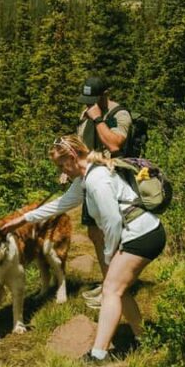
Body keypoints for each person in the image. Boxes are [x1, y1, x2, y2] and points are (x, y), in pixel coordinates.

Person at [1, 134, 166, 362]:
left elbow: (112, 222)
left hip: (143, 235)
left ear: (72, 157)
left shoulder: (97, 179)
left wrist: (109, 254)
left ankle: (99, 354)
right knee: (119, 289)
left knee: (111, 290)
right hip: (140, 233)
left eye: (61, 165)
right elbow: (61, 204)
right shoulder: (86, 177)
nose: (62, 172)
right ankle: (144, 339)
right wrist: (23, 220)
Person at [75, 76, 133, 309]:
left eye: (93, 99)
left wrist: (98, 118)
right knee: (94, 234)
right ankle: (107, 280)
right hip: (90, 179)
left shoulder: (119, 114)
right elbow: (82, 144)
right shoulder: (86, 113)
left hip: (112, 180)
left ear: (104, 94)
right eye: (86, 100)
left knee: (111, 233)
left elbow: (114, 144)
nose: (88, 104)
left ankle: (116, 287)